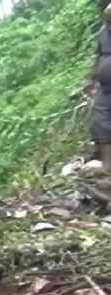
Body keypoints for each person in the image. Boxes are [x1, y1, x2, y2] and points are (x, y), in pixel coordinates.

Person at [88, 4, 111, 173]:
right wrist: (90, 79)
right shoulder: (104, 31)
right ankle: (107, 163)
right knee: (100, 121)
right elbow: (98, 55)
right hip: (104, 85)